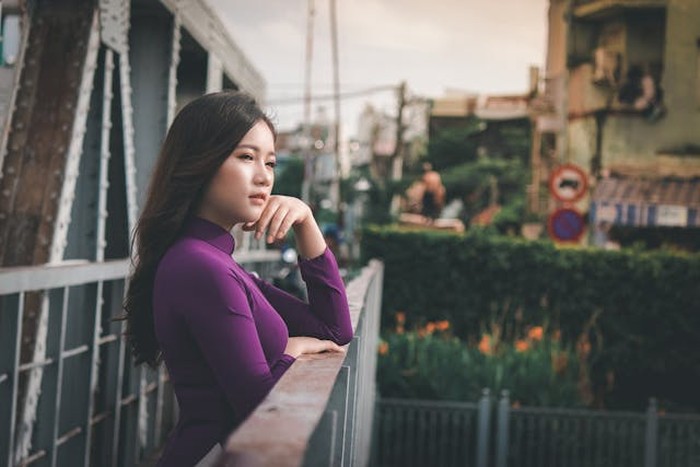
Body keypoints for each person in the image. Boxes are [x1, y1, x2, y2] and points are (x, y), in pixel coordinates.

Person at [122, 91, 353, 466]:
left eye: (270, 162)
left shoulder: (216, 263)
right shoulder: (201, 267)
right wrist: (289, 349)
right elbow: (259, 409)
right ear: (201, 162)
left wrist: (306, 221)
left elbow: (334, 330)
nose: (264, 176)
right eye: (246, 157)